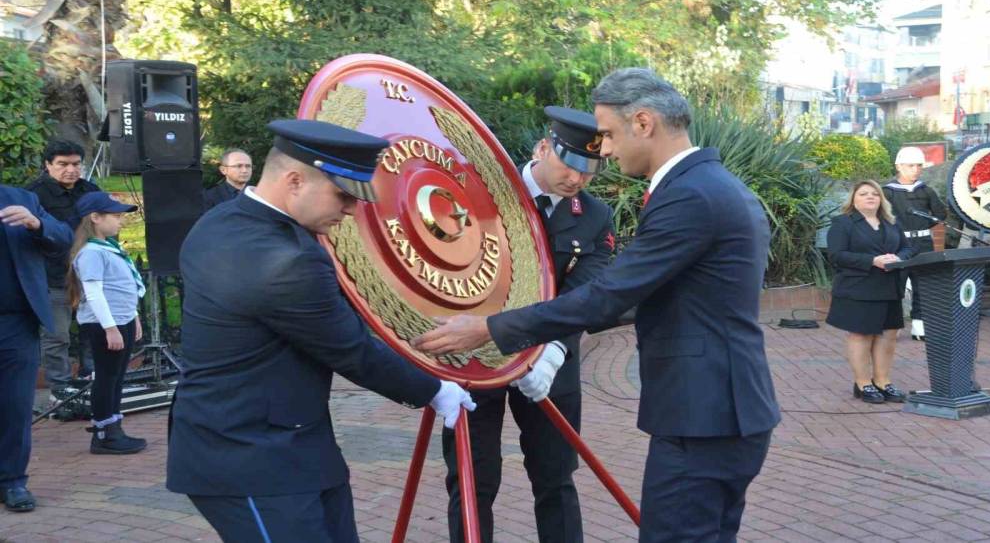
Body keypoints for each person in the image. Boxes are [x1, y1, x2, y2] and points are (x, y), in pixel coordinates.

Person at [414, 68, 781, 542]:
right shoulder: (710, 185)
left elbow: (609, 294)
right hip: (718, 409)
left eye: (608, 135)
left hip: (705, 414)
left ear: (643, 123)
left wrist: (492, 329)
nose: (603, 150)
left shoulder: (690, 195)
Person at [166, 119, 476, 542]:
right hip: (251, 458)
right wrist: (435, 390)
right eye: (343, 195)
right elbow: (352, 350)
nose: (351, 209)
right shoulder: (286, 259)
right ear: (295, 181)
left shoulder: (221, 222)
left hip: (287, 445)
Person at [442, 106, 615, 543]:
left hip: (549, 364)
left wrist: (553, 352)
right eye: (570, 164)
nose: (577, 179)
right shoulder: (480, 192)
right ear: (543, 147)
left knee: (555, 478)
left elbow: (585, 294)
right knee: (472, 480)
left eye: (589, 172)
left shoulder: (594, 217)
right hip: (476, 359)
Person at [0, 185, 73, 512]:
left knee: (16, 405)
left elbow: (63, 238)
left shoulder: (22, 199)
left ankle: (13, 481)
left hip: (15, 323)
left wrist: (37, 224)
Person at [67, 192, 148, 454]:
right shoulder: (91, 252)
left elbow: (124, 286)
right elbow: (94, 293)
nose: (120, 222)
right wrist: (110, 328)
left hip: (120, 319)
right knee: (107, 376)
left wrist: (133, 316)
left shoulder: (109, 247)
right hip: (105, 323)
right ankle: (104, 434)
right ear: (95, 217)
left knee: (117, 376)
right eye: (115, 216)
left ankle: (115, 428)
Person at [25, 139, 101, 395]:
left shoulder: (89, 190)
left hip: (88, 273)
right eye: (63, 164)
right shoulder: (34, 194)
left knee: (93, 328)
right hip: (52, 275)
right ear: (48, 165)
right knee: (57, 335)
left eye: (76, 163)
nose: (71, 169)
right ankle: (61, 388)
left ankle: (91, 376)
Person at [826, 181, 913, 404]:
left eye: (875, 193)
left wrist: (899, 258)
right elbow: (836, 255)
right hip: (858, 288)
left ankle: (883, 381)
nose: (870, 197)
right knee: (861, 334)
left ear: (881, 199)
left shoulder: (891, 222)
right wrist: (871, 261)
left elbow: (907, 248)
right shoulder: (843, 223)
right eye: (863, 193)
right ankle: (863, 383)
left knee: (888, 335)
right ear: (853, 200)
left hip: (889, 287)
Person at [881, 147, 946, 341]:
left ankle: (919, 326)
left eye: (919, 165)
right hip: (899, 244)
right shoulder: (887, 192)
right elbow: (882, 217)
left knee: (923, 285)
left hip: (924, 242)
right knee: (896, 284)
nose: (915, 169)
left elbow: (939, 214)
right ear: (899, 166)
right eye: (910, 165)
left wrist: (922, 225)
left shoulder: (926, 190)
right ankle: (893, 325)